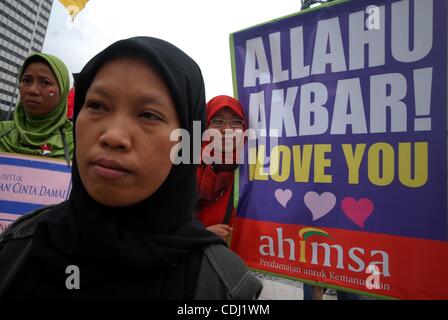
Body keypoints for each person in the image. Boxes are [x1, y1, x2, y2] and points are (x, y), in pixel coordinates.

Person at [0, 37, 262, 299]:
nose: (113, 136)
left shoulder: (224, 286)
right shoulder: (18, 246)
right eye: (96, 106)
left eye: (148, 115)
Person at [0, 53, 73, 163]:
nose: (32, 90)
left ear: (63, 91)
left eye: (45, 82)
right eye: (27, 80)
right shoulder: (2, 131)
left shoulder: (78, 143)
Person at [196, 95, 245, 241]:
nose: (227, 129)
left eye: (236, 122)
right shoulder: (186, 168)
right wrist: (201, 235)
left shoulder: (252, 171)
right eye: (217, 121)